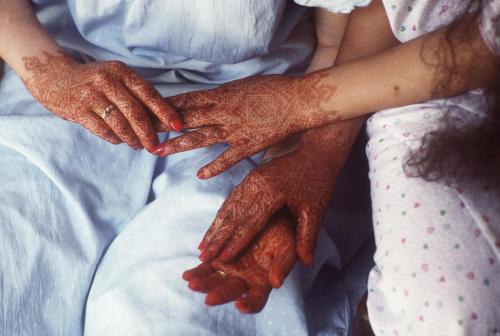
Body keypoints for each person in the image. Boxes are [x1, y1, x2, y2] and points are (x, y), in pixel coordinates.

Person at [0, 0, 371, 335]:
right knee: (13, 274)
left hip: (260, 116)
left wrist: (303, 159)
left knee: (176, 316)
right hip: (66, 86)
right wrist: (45, 71)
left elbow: (338, 39)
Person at [156, 0, 500, 334]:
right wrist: (307, 159)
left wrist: (300, 104)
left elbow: (488, 38)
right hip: (409, 77)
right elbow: (375, 16)